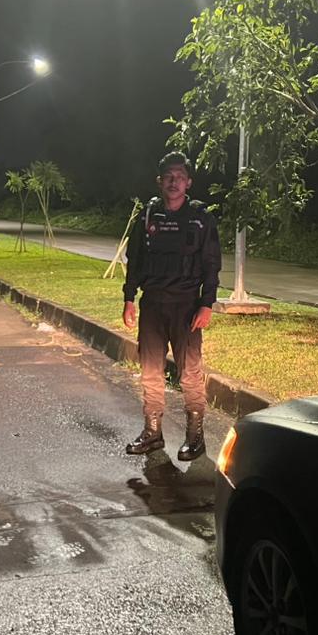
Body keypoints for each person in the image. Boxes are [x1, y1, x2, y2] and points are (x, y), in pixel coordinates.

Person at [122, 151, 221, 461]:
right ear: (159, 181)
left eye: (180, 176)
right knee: (150, 371)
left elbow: (212, 265)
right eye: (168, 177)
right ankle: (152, 433)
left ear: (188, 182)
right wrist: (128, 298)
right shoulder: (148, 216)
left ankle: (195, 437)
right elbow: (135, 260)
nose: (174, 182)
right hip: (152, 305)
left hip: (186, 307)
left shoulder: (201, 219)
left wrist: (206, 304)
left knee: (189, 373)